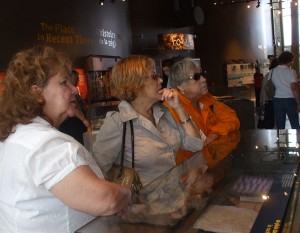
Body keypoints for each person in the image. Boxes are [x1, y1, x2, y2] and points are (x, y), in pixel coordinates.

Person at [0, 46, 131, 233]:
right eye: (64, 82)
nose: (74, 90)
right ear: (36, 92)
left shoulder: (14, 135)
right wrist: (126, 193)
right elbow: (105, 199)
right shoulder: (46, 144)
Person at [92, 55, 206, 187]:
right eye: (153, 76)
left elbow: (196, 145)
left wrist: (179, 108)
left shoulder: (163, 113)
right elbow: (96, 172)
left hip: (174, 198)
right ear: (135, 84)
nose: (161, 80)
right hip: (142, 205)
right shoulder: (118, 122)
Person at [165, 57, 240, 164]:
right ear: (180, 86)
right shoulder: (171, 109)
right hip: (191, 171)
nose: (204, 79)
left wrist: (213, 134)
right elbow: (182, 152)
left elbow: (232, 118)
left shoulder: (206, 99)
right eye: (196, 77)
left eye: (202, 74)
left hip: (212, 165)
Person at [59, 70, 90, 144]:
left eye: (78, 78)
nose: (77, 80)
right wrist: (84, 120)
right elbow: (75, 109)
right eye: (64, 82)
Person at [271, 51, 300, 129]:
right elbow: (294, 88)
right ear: (289, 60)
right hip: (290, 100)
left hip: (277, 100)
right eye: (292, 60)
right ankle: (298, 139)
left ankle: (281, 140)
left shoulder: (272, 71)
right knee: (295, 124)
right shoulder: (291, 72)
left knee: (280, 125)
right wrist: (299, 103)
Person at [257, 58, 278, 129]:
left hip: (267, 101)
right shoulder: (277, 76)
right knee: (275, 120)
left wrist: (261, 102)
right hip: (274, 100)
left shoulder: (267, 75)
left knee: (269, 120)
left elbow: (263, 90)